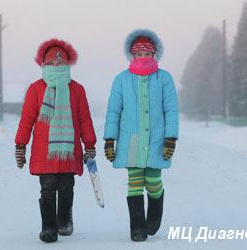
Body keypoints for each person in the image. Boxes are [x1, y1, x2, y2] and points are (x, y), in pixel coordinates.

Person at [14, 38, 96, 243]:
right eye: (51, 63)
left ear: (68, 65)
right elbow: (26, 119)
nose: (56, 66)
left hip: (69, 151)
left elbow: (84, 118)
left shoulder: (77, 89)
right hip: (44, 151)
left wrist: (90, 145)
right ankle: (48, 227)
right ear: (43, 64)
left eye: (61, 63)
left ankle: (64, 220)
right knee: (48, 189)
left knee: (67, 188)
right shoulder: (36, 89)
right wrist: (20, 145)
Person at [103, 29, 179, 242]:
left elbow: (171, 109)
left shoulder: (164, 78)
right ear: (132, 55)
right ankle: (137, 227)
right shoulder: (121, 79)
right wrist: (110, 139)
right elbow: (114, 111)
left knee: (153, 182)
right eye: (139, 54)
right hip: (132, 139)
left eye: (147, 53)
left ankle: (153, 217)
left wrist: (171, 138)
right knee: (135, 182)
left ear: (154, 54)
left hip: (157, 140)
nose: (143, 57)